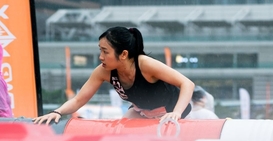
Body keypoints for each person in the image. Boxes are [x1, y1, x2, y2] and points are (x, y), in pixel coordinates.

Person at [34, 27, 194, 125]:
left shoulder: (145, 64)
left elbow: (187, 84)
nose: (100, 57)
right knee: (121, 134)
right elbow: (78, 100)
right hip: (143, 111)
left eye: (105, 52)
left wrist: (176, 113)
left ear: (123, 54)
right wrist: (57, 112)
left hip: (176, 112)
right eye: (100, 50)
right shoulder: (103, 71)